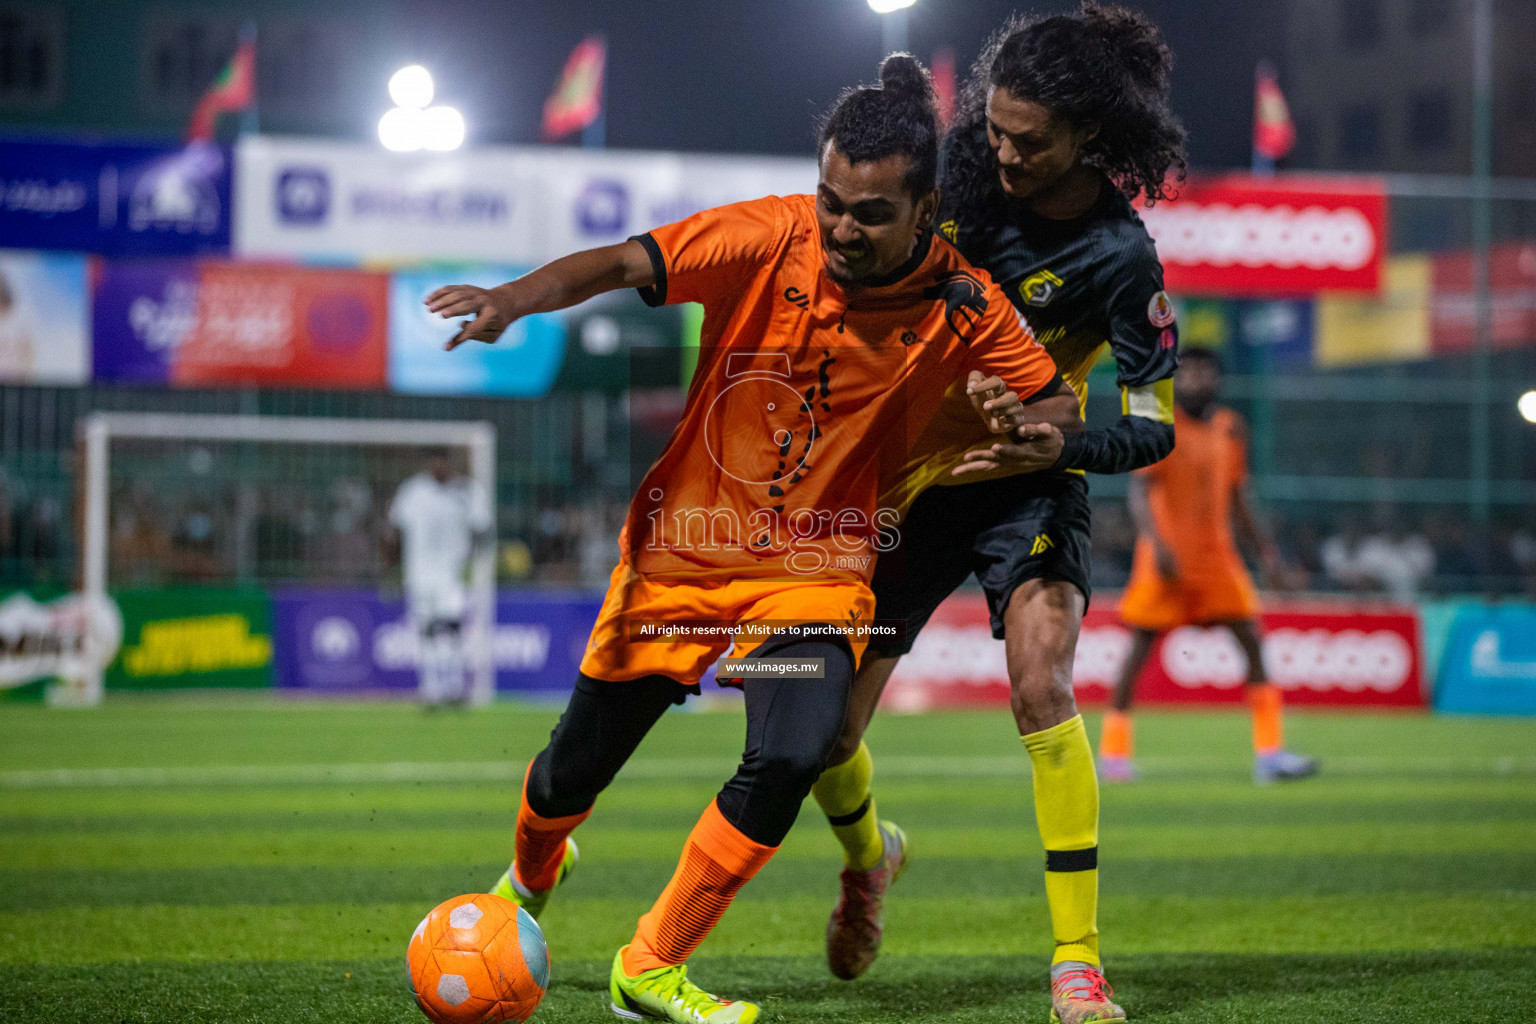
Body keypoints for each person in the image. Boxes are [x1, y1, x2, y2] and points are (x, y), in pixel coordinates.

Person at [426, 56, 1080, 1024]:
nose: (841, 228)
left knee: (794, 750)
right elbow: (621, 261)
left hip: (813, 574)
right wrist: (516, 299)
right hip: (684, 553)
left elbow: (1058, 400)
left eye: (868, 212)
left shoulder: (966, 301)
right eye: (830, 201)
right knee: (571, 775)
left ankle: (647, 966)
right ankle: (530, 874)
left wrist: (1035, 428)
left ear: (926, 208)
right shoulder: (765, 234)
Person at [806, 8, 1187, 1022]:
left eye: (1030, 139)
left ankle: (1077, 962)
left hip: (1028, 481)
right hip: (909, 484)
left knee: (1040, 684)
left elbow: (1153, 428)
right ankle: (869, 859)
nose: (1004, 152)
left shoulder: (1121, 254)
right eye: (994, 129)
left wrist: (1059, 441)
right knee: (821, 735)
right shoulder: (960, 177)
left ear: (1090, 139)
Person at [1105, 348, 1319, 784]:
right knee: (1138, 651)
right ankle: (1113, 756)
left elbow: (1240, 499)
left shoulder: (1231, 428)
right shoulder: (1160, 427)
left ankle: (1270, 754)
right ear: (1176, 380)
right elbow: (1140, 492)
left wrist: (1269, 557)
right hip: (1166, 560)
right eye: (1188, 373)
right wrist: (1156, 544)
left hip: (1218, 559)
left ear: (1218, 380)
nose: (1197, 380)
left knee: (1253, 643)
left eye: (1206, 372)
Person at [385, 449, 492, 708]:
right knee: (425, 631)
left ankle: (454, 687)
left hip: (451, 575)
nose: (438, 466)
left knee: (451, 629)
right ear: (426, 464)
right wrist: (391, 571)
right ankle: (430, 689)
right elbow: (394, 531)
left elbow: (482, 530)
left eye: (443, 461)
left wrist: (475, 565)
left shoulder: (467, 491)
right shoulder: (412, 491)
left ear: (450, 463)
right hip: (419, 575)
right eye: (433, 461)